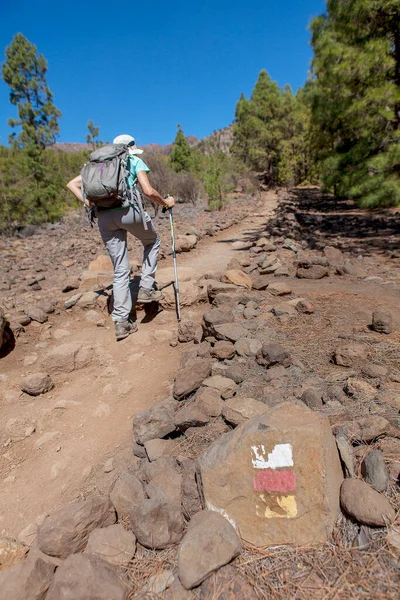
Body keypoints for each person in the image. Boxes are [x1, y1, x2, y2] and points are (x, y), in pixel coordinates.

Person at [66, 134, 175, 341]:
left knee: (120, 270)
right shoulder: (133, 160)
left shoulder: (95, 166)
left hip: (104, 218)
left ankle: (122, 323)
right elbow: (148, 190)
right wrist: (166, 202)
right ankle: (146, 288)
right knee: (152, 241)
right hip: (129, 212)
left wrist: (89, 203)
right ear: (131, 148)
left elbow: (72, 184)